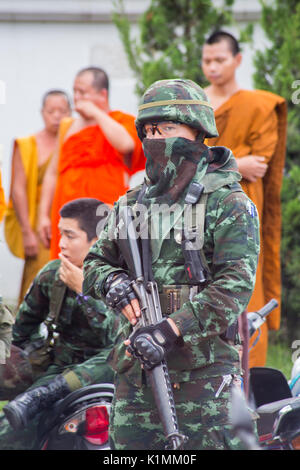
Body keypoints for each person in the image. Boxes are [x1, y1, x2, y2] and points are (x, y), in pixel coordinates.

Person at [81, 78, 260, 450]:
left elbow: (234, 287)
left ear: (197, 131)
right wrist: (112, 282)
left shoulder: (228, 204)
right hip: (136, 375)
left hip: (204, 378)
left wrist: (168, 331)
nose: (156, 138)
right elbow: (95, 262)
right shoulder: (131, 205)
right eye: (149, 130)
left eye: (167, 128)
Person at [0, 197, 117, 449]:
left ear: (95, 241)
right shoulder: (54, 274)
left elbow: (116, 337)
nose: (61, 243)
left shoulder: (122, 281)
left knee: (122, 351)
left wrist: (84, 291)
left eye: (70, 236)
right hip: (58, 370)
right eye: (60, 234)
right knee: (8, 433)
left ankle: (46, 395)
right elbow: (20, 333)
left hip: (111, 370)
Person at [201, 30, 287, 368]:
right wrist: (237, 162)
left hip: (241, 211)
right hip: (198, 209)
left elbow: (260, 164)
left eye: (220, 60)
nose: (213, 67)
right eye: (207, 60)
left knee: (246, 289)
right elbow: (183, 155)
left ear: (237, 60)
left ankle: (249, 382)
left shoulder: (257, 104)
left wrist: (215, 160)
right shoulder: (195, 102)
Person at [38, 66, 145, 261]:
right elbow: (53, 173)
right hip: (67, 211)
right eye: (75, 91)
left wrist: (96, 114)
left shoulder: (120, 121)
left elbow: (126, 144)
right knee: (66, 265)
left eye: (83, 92)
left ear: (102, 94)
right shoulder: (67, 126)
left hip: (102, 212)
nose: (77, 98)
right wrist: (43, 215)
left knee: (105, 261)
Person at [4, 90, 71, 304]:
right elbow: (18, 190)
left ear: (70, 112)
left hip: (68, 218)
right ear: (42, 113)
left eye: (62, 110)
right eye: (51, 111)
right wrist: (26, 232)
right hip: (39, 224)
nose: (57, 116)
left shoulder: (73, 141)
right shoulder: (27, 145)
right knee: (39, 277)